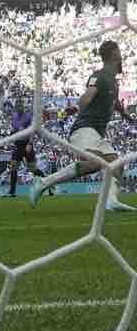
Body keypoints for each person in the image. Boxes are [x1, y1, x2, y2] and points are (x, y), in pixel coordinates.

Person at [29, 41, 134, 212]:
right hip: (84, 128)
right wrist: (76, 108)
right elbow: (87, 96)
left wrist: (124, 114)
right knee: (95, 162)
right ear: (114, 54)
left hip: (96, 134)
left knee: (117, 164)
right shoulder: (99, 76)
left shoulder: (114, 82)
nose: (121, 54)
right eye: (119, 51)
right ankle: (43, 183)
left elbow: (114, 102)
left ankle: (111, 200)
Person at [5, 99, 49, 198]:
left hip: (26, 144)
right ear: (15, 106)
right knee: (13, 167)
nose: (19, 107)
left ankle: (49, 184)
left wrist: (29, 143)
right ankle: (12, 192)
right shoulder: (14, 116)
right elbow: (14, 129)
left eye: (21, 105)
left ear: (23, 106)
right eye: (18, 105)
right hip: (18, 144)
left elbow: (32, 131)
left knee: (32, 169)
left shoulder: (28, 116)